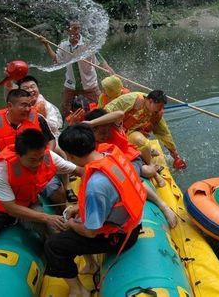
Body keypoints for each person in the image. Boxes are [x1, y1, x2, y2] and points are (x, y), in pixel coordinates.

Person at [44, 124, 147, 297]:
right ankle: (90, 264)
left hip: (120, 238)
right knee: (79, 220)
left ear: (70, 156)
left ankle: (78, 291)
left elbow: (90, 232)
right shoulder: (110, 157)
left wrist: (70, 224)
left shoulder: (95, 185)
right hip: (133, 225)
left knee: (53, 245)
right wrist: (78, 208)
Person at [0, 129, 83, 255]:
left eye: (40, 158)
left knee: (55, 231)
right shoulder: (0, 169)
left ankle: (51, 257)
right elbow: (10, 208)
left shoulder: (48, 156)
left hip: (28, 202)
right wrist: (47, 217)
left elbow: (79, 170)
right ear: (19, 155)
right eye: (32, 160)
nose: (38, 163)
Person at [83, 109, 177, 227]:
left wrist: (91, 123)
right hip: (115, 164)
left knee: (143, 173)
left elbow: (120, 114)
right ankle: (151, 169)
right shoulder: (91, 139)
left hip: (131, 160)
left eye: (106, 132)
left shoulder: (114, 126)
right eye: (101, 133)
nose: (105, 136)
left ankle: (162, 204)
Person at [39, 20, 114, 117]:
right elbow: (56, 60)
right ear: (68, 30)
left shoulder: (87, 43)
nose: (77, 31)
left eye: (79, 28)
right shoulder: (63, 44)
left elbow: (99, 58)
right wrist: (46, 45)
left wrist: (108, 69)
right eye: (74, 28)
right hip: (71, 84)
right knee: (65, 110)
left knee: (99, 109)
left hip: (89, 84)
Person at [104, 90, 187, 169]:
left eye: (162, 107)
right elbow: (107, 111)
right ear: (150, 101)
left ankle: (149, 164)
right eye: (159, 106)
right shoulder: (132, 99)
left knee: (142, 142)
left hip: (130, 133)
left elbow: (164, 133)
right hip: (114, 130)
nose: (161, 110)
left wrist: (175, 155)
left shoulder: (156, 113)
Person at [0, 89, 55, 157]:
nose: (28, 109)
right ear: (10, 106)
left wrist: (46, 155)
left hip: (37, 163)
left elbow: (51, 139)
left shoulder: (38, 118)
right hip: (11, 168)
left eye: (29, 105)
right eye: (23, 105)